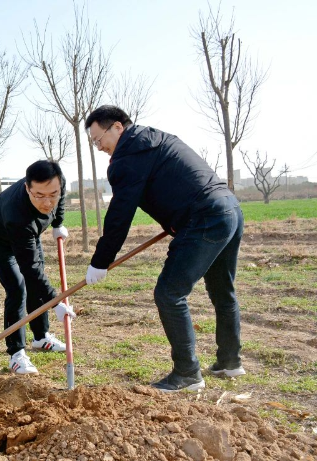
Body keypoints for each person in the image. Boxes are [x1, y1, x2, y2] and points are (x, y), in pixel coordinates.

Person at [84, 105, 245, 393]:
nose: (99, 147)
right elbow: (176, 182)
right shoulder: (158, 138)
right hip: (229, 208)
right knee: (223, 291)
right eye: (94, 143)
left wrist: (100, 261)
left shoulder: (126, 158)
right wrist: (174, 220)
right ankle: (229, 362)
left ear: (118, 127)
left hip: (205, 216)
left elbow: (120, 213)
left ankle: (187, 373)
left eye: (99, 139)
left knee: (169, 294)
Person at [0, 160, 75, 374]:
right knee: (17, 287)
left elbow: (59, 202)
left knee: (35, 284)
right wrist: (55, 301)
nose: (47, 202)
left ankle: (41, 337)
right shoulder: (17, 215)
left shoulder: (57, 183)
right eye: (39, 196)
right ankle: (16, 354)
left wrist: (58, 223)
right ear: (27, 188)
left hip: (30, 235)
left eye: (53, 194)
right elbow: (30, 268)